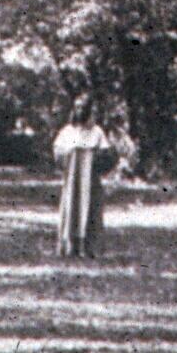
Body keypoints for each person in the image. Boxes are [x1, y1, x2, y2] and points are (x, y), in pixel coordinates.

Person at [52, 95, 117, 258]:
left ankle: (89, 248)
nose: (81, 111)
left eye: (84, 108)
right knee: (72, 208)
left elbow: (107, 154)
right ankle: (70, 246)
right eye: (78, 107)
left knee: (90, 210)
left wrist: (96, 161)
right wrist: (68, 159)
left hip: (91, 182)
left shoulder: (97, 132)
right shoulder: (67, 131)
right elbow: (58, 153)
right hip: (73, 181)